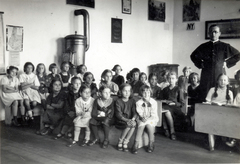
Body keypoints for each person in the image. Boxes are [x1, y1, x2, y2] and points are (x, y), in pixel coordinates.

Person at [191, 24, 240, 102]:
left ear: (219, 33)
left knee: (220, 95)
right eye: (211, 32)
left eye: (215, 32)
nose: (213, 34)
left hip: (219, 74)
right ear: (208, 33)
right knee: (205, 95)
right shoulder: (203, 46)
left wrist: (227, 62)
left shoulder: (224, 46)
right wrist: (200, 64)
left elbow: (238, 55)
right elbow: (193, 56)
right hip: (206, 75)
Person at [204, 74, 233, 151]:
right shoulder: (212, 90)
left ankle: (225, 140)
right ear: (217, 81)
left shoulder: (229, 92)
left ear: (227, 82)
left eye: (224, 80)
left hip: (224, 114)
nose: (222, 82)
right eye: (220, 80)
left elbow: (231, 105)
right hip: (213, 112)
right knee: (211, 123)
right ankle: (211, 145)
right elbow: (207, 101)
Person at [158, 72, 187, 140]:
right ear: (167, 79)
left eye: (173, 78)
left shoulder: (178, 89)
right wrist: (164, 100)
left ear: (176, 79)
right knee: (164, 110)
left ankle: (171, 131)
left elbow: (182, 103)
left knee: (166, 111)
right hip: (166, 106)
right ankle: (169, 131)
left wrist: (174, 103)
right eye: (169, 78)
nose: (171, 80)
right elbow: (160, 99)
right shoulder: (165, 89)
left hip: (175, 108)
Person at [132, 85, 159, 154]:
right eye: (144, 92)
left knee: (150, 126)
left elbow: (153, 114)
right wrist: (142, 117)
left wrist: (148, 118)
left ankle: (151, 143)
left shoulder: (154, 102)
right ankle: (136, 144)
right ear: (141, 93)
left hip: (151, 118)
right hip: (142, 118)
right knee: (141, 126)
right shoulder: (138, 103)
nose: (146, 94)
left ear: (150, 93)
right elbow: (140, 112)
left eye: (148, 92)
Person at [115, 83, 137, 152]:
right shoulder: (118, 101)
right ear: (121, 91)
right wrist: (127, 120)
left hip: (130, 119)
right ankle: (120, 141)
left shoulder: (132, 101)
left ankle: (126, 141)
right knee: (128, 125)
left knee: (133, 124)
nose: (127, 93)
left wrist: (132, 119)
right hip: (121, 120)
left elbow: (135, 113)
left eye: (129, 91)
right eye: (125, 91)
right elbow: (118, 115)